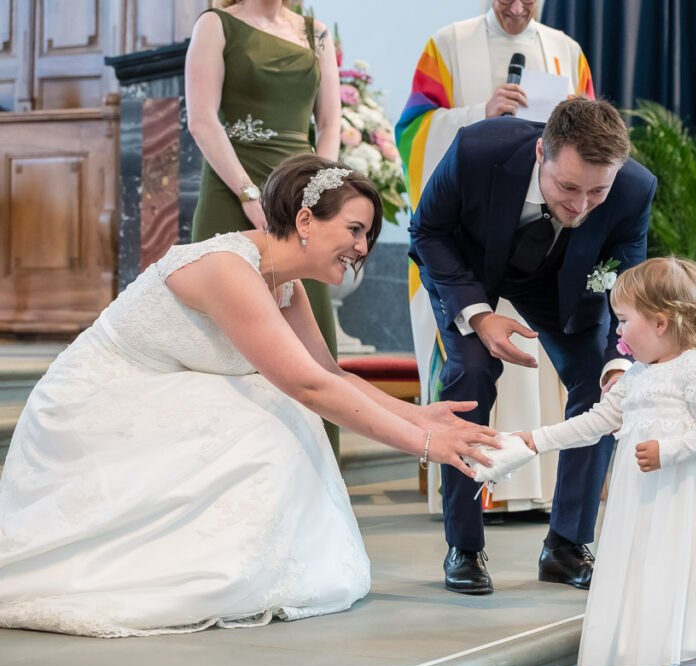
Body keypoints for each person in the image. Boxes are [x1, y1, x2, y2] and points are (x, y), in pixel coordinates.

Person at [0, 155, 496, 638]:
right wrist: (424, 445)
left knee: (275, 407)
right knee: (274, 409)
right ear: (305, 219)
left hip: (169, 386)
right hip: (98, 404)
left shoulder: (285, 285)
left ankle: (237, 563)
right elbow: (309, 386)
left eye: (367, 234)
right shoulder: (227, 268)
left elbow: (328, 373)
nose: (363, 247)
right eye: (355, 230)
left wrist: (422, 416)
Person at [409, 98, 657, 594]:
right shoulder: (478, 150)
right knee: (470, 378)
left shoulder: (634, 188)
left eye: (596, 191)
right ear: (542, 151)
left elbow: (628, 286)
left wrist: (617, 363)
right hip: (471, 269)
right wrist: (479, 315)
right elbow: (428, 230)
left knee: (603, 385)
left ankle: (567, 545)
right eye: (568, 187)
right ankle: (464, 545)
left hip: (565, 283)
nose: (581, 206)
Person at [509, 258, 696, 666]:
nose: (617, 332)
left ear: (660, 323)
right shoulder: (637, 375)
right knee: (649, 572)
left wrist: (669, 450)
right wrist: (535, 440)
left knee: (684, 571)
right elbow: (596, 422)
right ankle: (656, 660)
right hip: (643, 503)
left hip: (684, 502)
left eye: (623, 320)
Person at [396, 0, 596, 515]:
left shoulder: (566, 52)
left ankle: (541, 489)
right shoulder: (447, 44)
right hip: (468, 243)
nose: (517, 6)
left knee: (543, 364)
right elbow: (412, 132)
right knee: (471, 365)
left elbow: (593, 142)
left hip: (542, 240)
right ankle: (471, 496)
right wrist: (477, 118)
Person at [185, 0, 344, 454]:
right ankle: (217, 462)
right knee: (223, 337)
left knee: (307, 339)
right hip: (232, 188)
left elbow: (329, 122)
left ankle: (311, 469)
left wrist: (321, 188)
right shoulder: (216, 25)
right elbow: (201, 119)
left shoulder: (316, 33)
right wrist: (248, 193)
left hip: (301, 199)